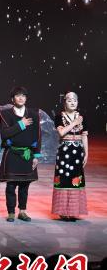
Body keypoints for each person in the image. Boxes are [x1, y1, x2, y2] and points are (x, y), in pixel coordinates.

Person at [0, 86, 41, 222]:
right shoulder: (5, 114)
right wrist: (21, 124)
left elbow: (38, 135)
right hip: (12, 153)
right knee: (11, 185)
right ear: (12, 99)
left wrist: (36, 155)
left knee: (25, 185)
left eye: (23, 95)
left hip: (27, 154)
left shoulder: (34, 114)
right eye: (18, 95)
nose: (21, 98)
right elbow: (4, 134)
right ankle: (11, 212)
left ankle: (22, 211)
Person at [51, 91, 88, 221]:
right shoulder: (59, 117)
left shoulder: (82, 117)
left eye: (75, 100)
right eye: (69, 100)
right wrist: (74, 122)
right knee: (64, 179)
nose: (73, 102)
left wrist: (86, 153)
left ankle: (73, 211)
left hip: (77, 152)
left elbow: (84, 136)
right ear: (64, 102)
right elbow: (61, 132)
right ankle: (63, 211)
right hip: (64, 153)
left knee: (75, 180)